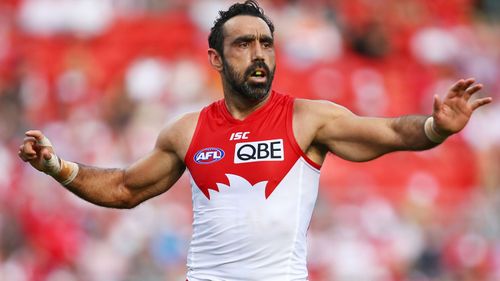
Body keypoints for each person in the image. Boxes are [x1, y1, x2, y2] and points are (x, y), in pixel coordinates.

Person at [18, 1, 492, 280]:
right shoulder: (187, 131)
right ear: (216, 59)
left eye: (266, 43)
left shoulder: (308, 119)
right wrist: (58, 168)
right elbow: (124, 189)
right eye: (243, 44)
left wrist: (435, 128)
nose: (258, 54)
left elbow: (389, 132)